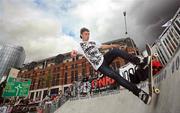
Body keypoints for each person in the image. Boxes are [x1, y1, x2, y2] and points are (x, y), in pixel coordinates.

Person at [71, 27, 151, 104]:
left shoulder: (92, 42)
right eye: (85, 34)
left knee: (115, 51)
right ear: (81, 35)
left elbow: (102, 46)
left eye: (88, 34)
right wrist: (73, 53)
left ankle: (140, 62)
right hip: (100, 67)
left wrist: (112, 46)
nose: (87, 36)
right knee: (116, 76)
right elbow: (74, 52)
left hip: (104, 59)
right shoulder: (79, 46)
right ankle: (139, 93)